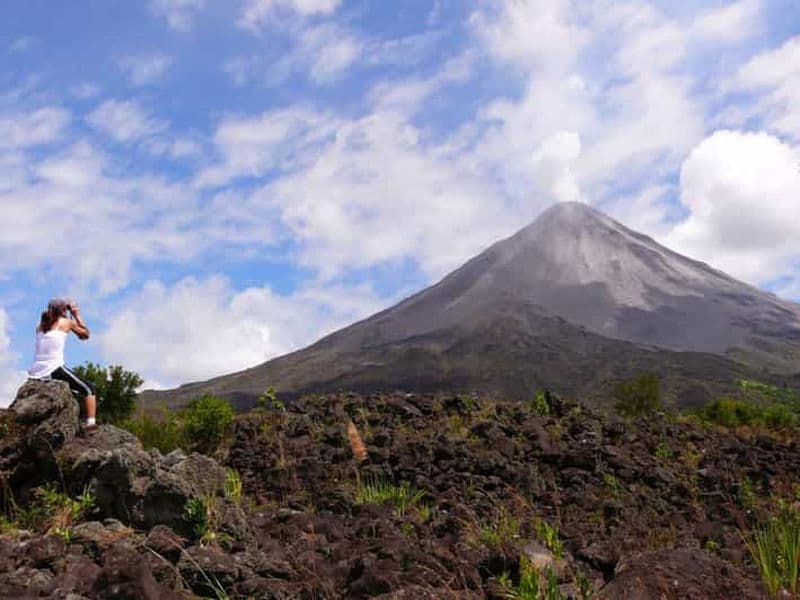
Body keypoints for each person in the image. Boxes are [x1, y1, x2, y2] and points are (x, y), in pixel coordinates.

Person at [28, 298, 97, 430]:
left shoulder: (40, 327)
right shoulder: (66, 322)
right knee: (89, 388)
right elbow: (85, 335)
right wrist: (77, 315)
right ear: (64, 311)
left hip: (37, 372)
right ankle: (91, 423)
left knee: (72, 391)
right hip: (55, 369)